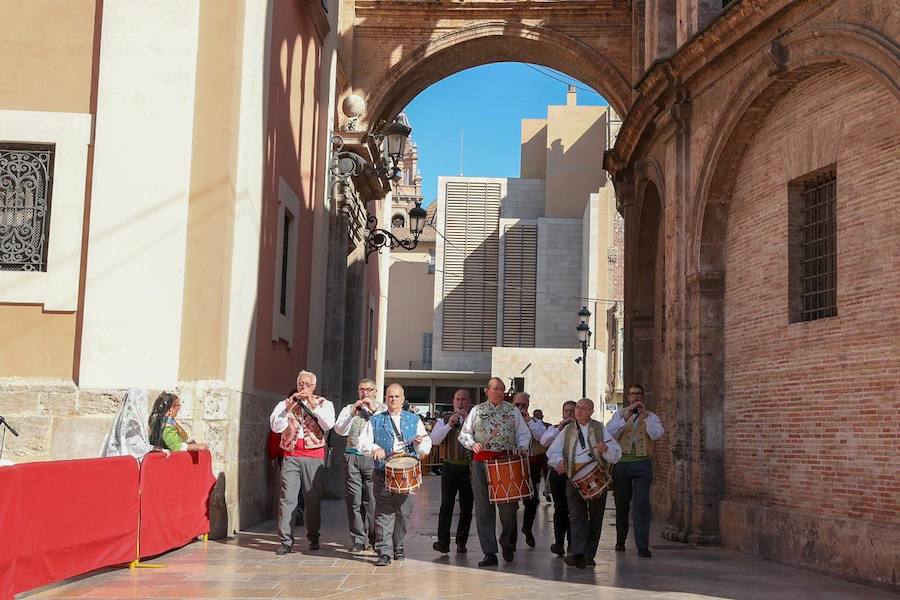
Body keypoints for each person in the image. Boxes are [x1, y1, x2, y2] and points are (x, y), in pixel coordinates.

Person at [459, 377, 531, 567]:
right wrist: (472, 444)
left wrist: (522, 446)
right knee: (484, 509)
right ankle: (489, 552)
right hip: (481, 463)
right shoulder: (477, 410)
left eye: (501, 388)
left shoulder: (512, 411)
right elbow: (464, 434)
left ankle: (506, 540)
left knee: (509, 507)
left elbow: (523, 433)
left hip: (505, 462)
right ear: (486, 391)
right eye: (495, 388)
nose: (498, 391)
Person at [358, 383, 432, 567]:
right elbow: (362, 443)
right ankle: (384, 551)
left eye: (396, 396)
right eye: (390, 396)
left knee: (403, 512)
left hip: (406, 473)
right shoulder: (375, 420)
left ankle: (398, 545)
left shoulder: (414, 420)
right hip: (383, 471)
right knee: (384, 512)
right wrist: (375, 448)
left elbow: (426, 445)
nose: (393, 400)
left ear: (403, 398)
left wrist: (418, 444)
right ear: (385, 398)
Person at [548, 398, 621, 569]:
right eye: (577, 408)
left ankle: (589, 555)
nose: (579, 411)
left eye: (583, 408)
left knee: (596, 518)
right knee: (576, 517)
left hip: (597, 478)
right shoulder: (567, 430)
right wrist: (559, 461)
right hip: (574, 479)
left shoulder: (599, 428)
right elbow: (553, 452)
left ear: (591, 411)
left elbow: (616, 454)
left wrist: (606, 449)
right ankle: (578, 553)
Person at [269, 370, 335, 555]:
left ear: (314, 387)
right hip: (290, 454)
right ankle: (286, 541)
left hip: (313, 455)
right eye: (301, 384)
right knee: (287, 499)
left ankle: (313, 536)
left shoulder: (324, 404)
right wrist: (287, 409)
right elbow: (276, 427)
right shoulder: (284, 404)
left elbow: (329, 424)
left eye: (307, 384)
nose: (303, 387)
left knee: (312, 500)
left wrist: (313, 405)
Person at [606, 384, 665, 558]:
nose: (636, 397)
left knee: (641, 504)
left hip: (642, 463)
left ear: (643, 397)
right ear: (628, 397)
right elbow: (609, 433)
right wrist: (625, 418)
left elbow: (657, 435)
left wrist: (645, 417)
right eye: (633, 394)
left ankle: (642, 545)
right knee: (622, 504)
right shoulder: (619, 415)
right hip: (622, 463)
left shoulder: (651, 416)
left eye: (639, 394)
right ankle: (620, 540)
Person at [333, 377, 382, 553]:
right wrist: (352, 414)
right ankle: (358, 539)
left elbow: (382, 428)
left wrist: (374, 410)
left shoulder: (381, 409)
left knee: (372, 500)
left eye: (368, 390)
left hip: (371, 458)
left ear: (375, 392)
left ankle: (375, 538)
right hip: (352, 456)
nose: (365, 393)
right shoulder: (349, 409)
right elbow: (339, 430)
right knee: (354, 499)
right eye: (362, 389)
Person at [429, 389, 474, 554]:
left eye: (463, 399)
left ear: (469, 402)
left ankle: (461, 542)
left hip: (468, 468)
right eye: (457, 399)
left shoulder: (474, 419)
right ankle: (443, 542)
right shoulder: (445, 419)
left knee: (466, 506)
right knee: (446, 505)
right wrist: (449, 424)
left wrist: (467, 420)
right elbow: (434, 440)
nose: (460, 403)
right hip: (449, 467)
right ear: (453, 401)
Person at [539, 399, 577, 556]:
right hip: (557, 474)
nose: (568, 414)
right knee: (560, 508)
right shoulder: (554, 429)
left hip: (574, 474)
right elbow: (544, 442)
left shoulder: (579, 429)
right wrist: (559, 428)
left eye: (571, 411)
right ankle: (559, 542)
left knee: (573, 509)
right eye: (566, 411)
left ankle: (572, 543)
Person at [512, 392, 547, 548]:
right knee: (511, 504)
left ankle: (527, 528)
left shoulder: (535, 422)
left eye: (523, 405)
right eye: (517, 405)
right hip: (512, 464)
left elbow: (542, 438)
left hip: (531, 465)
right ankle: (510, 539)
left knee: (531, 502)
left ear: (528, 406)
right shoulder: (508, 421)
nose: (520, 408)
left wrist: (528, 422)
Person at [102, 388, 164, 460]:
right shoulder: (132, 421)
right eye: (143, 401)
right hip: (126, 460)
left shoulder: (125, 417)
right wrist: (154, 448)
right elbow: (134, 444)